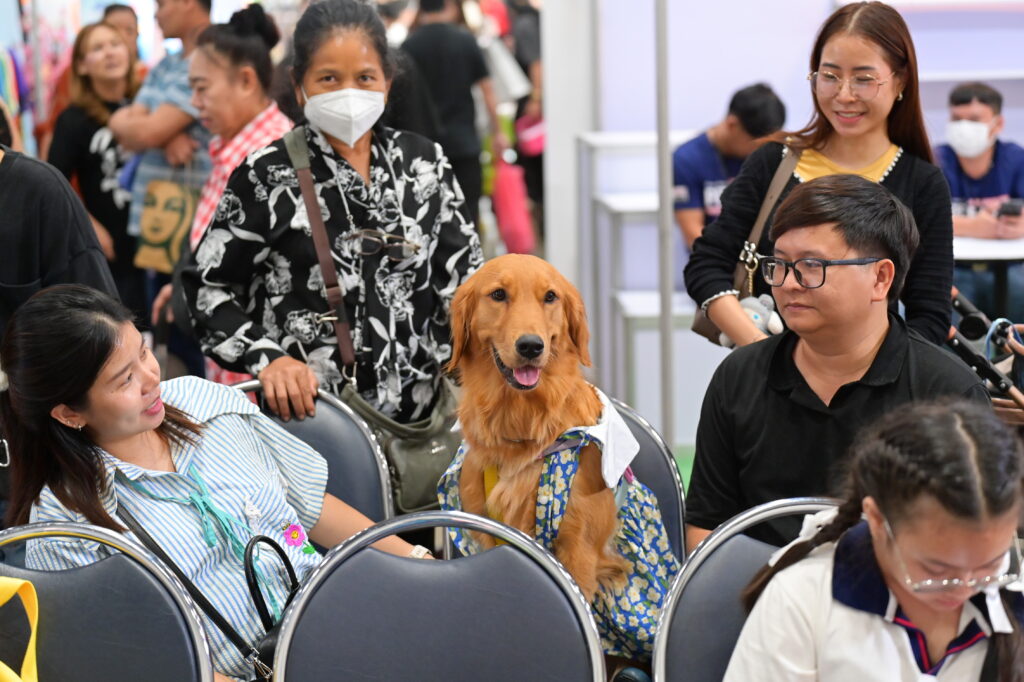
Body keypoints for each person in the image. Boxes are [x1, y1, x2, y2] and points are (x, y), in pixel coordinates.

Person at [1, 285, 430, 681]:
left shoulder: (204, 402)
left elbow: (309, 508)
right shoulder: (67, 520)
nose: (151, 379)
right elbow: (136, 661)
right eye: (125, 380)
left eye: (144, 353)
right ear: (69, 413)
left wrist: (419, 563)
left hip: (342, 630)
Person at [179, 0, 483, 424]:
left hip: (424, 423)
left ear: (387, 81)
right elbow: (207, 290)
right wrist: (269, 359)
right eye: (328, 78)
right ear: (297, 84)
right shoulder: (267, 174)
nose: (349, 93)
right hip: (314, 424)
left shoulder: (424, 163)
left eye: (365, 77)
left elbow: (468, 285)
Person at [684, 175, 987, 552]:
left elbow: (971, 546)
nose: (788, 283)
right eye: (779, 263)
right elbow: (705, 527)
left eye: (812, 265)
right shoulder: (739, 376)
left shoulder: (947, 394)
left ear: (880, 278)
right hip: (758, 583)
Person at [684, 1, 953, 348]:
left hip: (875, 378)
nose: (844, 95)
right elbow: (707, 264)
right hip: (765, 367)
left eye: (864, 79)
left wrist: (877, 373)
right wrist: (759, 351)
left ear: (900, 80)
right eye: (829, 76)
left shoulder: (922, 183)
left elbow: (929, 314)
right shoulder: (772, 162)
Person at [726, 400, 1024, 681]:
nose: (965, 587)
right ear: (878, 520)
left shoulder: (1013, 594)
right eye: (936, 569)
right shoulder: (803, 600)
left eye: (990, 564)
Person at [48, 21, 146, 322]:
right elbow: (55, 184)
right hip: (107, 247)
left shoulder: (148, 106)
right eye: (97, 48)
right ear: (81, 65)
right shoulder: (72, 119)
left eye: (115, 44)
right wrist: (91, 229)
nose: (110, 53)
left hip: (153, 238)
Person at [402, 0, 509, 228]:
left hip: (424, 149)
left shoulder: (409, 46)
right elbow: (488, 91)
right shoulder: (466, 40)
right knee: (468, 215)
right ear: (449, 5)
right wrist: (498, 132)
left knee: (429, 218)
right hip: (465, 143)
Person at [936, 82, 1024, 321]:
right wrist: (974, 227)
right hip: (954, 270)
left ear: (998, 124)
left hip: (1011, 269)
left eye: (974, 119)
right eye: (957, 119)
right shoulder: (935, 160)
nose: (964, 127)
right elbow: (916, 217)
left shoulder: (1016, 158)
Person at [673, 84, 786, 248]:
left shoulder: (772, 155)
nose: (760, 150)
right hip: (716, 256)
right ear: (732, 125)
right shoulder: (687, 159)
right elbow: (692, 235)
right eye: (755, 144)